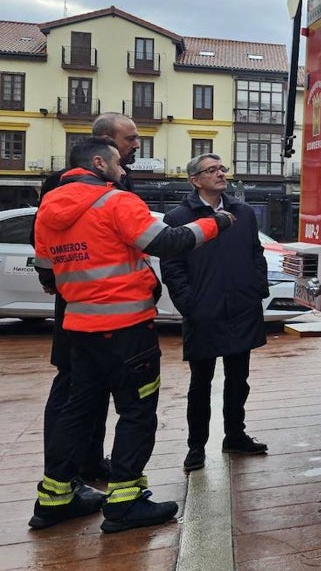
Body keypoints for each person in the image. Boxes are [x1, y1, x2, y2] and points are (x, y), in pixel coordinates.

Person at [29, 137, 234, 533]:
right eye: (121, 164)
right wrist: (215, 223)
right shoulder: (116, 201)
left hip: (80, 330)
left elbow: (47, 273)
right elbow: (168, 242)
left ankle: (54, 498)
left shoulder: (47, 210)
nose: (126, 172)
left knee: (78, 412)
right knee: (137, 413)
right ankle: (124, 503)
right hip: (127, 331)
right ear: (100, 163)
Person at [35, 113, 141, 486]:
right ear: (104, 146)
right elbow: (47, 241)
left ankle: (90, 463)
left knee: (94, 392)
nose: (136, 145)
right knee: (73, 391)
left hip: (102, 308)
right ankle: (62, 474)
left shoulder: (116, 181)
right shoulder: (65, 185)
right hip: (80, 307)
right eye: (129, 139)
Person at [161, 154, 270, 474]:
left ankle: (235, 436)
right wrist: (189, 304)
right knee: (201, 383)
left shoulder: (244, 213)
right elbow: (172, 266)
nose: (221, 174)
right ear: (195, 180)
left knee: (240, 379)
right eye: (212, 170)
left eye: (222, 169)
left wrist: (256, 290)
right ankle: (196, 447)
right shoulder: (178, 218)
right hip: (203, 312)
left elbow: (256, 253)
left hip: (241, 307)